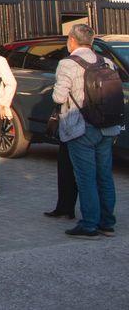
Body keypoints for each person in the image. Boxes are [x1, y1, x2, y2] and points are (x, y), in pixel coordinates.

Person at [52, 23, 119, 238]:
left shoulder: (66, 64)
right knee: (105, 176)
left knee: (86, 178)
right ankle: (107, 223)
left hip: (80, 128)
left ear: (72, 40)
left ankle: (89, 224)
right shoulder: (107, 61)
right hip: (107, 127)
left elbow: (59, 97)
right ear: (91, 42)